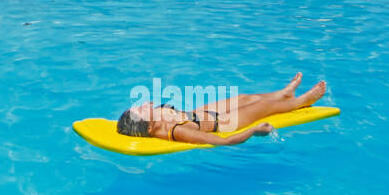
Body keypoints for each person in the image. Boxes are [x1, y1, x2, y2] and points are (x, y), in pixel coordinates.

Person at [115, 74, 327, 146]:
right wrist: (253, 132)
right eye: (141, 110)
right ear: (149, 125)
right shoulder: (178, 132)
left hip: (197, 113)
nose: (142, 104)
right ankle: (301, 101)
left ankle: (284, 93)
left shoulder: (155, 119)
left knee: (244, 98)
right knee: (262, 107)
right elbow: (223, 142)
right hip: (222, 124)